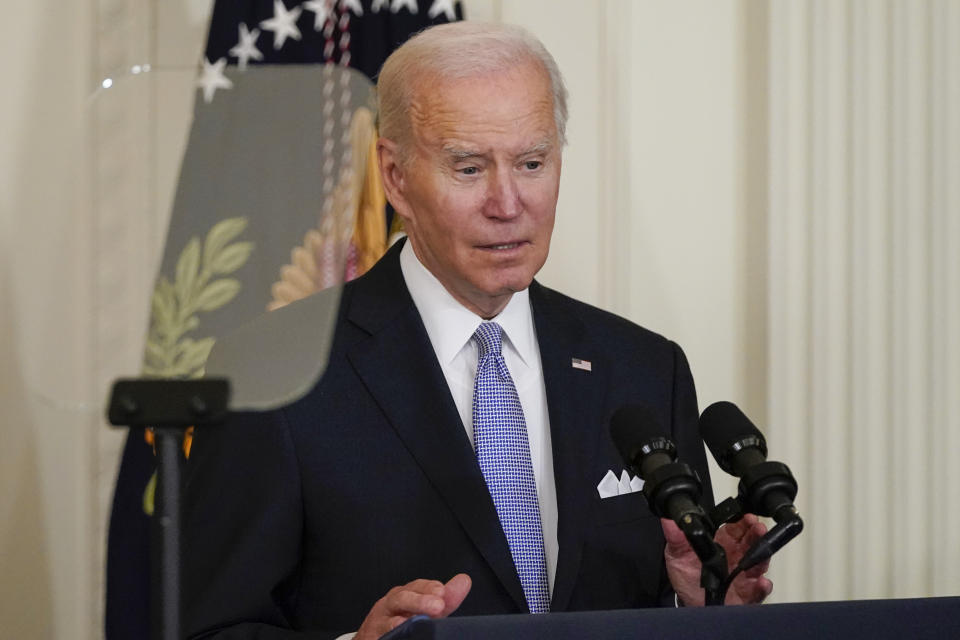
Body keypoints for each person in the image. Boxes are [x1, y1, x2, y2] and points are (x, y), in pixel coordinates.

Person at [183, 21, 772, 640]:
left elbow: (665, 606)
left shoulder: (645, 370)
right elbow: (208, 628)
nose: (508, 202)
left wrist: (706, 603)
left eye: (532, 162)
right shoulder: (274, 370)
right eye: (468, 168)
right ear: (394, 176)